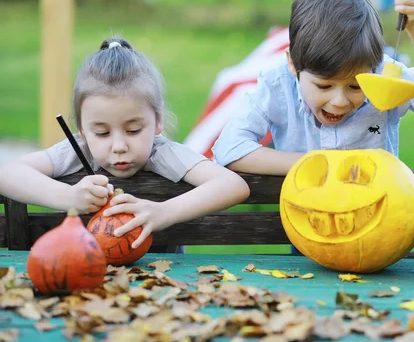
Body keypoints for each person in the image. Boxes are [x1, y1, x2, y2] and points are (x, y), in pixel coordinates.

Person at [0, 37, 250, 252]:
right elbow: (7, 174)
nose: (119, 146)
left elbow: (233, 185)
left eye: (133, 130)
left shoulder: (161, 153)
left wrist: (163, 212)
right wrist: (68, 196)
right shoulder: (78, 151)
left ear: (158, 121)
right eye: (101, 132)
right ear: (83, 131)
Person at [213, 0, 414, 175]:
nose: (340, 101)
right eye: (324, 86)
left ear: (374, 66)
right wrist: (321, 163)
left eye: (355, 86)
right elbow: (229, 148)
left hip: (382, 225)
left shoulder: (382, 79)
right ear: (293, 64)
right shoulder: (278, 86)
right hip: (309, 225)